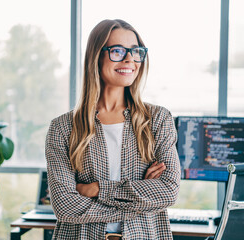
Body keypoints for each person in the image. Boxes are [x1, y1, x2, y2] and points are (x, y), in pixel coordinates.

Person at [45, 19, 181, 240]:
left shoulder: (157, 120)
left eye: (136, 51)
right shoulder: (63, 127)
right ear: (96, 56)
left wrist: (97, 189)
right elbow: (65, 206)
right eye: (117, 51)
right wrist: (141, 197)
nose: (129, 59)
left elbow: (168, 191)